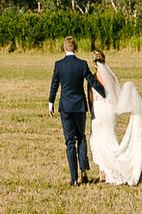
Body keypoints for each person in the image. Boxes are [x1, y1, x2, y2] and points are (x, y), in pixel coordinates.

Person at [85, 48, 142, 186]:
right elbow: (117, 96)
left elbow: (90, 97)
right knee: (111, 139)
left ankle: (103, 173)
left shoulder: (92, 78)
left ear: (94, 63)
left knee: (98, 140)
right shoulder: (112, 77)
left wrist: (91, 111)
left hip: (99, 110)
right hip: (110, 110)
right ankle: (114, 167)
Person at [46, 36, 104, 185]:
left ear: (64, 48)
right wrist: (106, 94)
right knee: (81, 138)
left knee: (70, 142)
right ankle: (84, 170)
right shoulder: (82, 64)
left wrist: (51, 102)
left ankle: (74, 178)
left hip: (65, 107)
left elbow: (54, 84)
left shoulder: (59, 65)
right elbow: (92, 80)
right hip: (79, 107)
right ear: (75, 47)